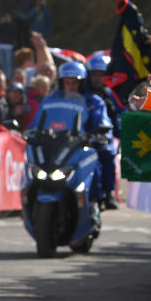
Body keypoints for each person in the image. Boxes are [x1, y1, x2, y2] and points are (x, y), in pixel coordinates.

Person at [36, 62, 111, 213]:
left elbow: (102, 122)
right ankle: (30, 198)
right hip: (54, 145)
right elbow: (36, 122)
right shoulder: (49, 100)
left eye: (75, 83)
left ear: (82, 83)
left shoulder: (94, 101)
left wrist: (97, 134)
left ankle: (94, 202)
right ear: (61, 83)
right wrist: (29, 131)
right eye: (67, 82)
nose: (71, 86)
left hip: (80, 145)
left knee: (98, 158)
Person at [85, 53, 121, 209]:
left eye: (102, 74)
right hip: (78, 136)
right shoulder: (79, 92)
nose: (98, 78)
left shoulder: (110, 94)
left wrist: (121, 134)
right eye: (94, 74)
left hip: (101, 137)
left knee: (106, 155)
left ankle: (108, 193)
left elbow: (117, 117)